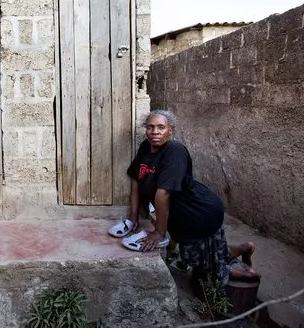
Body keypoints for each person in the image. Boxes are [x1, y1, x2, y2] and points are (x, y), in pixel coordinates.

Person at [111, 109, 259, 284]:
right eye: (150, 127)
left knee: (205, 269)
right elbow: (136, 178)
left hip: (199, 212)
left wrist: (159, 232)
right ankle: (245, 248)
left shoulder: (174, 151)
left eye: (161, 127)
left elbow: (163, 193)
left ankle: (251, 275)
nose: (155, 132)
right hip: (181, 216)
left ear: (170, 130)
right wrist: (133, 218)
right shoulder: (145, 147)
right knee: (200, 253)